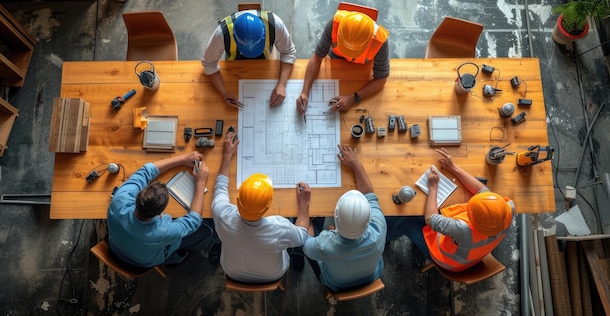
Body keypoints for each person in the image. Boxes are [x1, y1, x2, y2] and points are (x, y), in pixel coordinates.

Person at [386, 148, 515, 272]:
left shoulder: (463, 230)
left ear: (473, 219)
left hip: (449, 261)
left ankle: (384, 237)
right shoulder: (508, 207)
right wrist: (453, 167)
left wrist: (433, 187)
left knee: (403, 218)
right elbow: (483, 191)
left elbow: (430, 219)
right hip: (470, 252)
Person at [211, 129, 311, 283]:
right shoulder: (280, 227)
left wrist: (227, 155)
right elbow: (302, 236)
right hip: (272, 275)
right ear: (268, 207)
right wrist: (304, 205)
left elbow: (220, 188)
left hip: (232, 272)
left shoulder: (223, 216)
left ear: (237, 200)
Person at [302, 144, 386, 292]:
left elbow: (304, 241)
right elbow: (370, 195)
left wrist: (304, 208)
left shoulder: (324, 246)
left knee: (310, 226)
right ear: (368, 220)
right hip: (372, 276)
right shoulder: (379, 228)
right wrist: (355, 163)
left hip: (336, 285)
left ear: (335, 219)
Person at [107, 152, 210, 268]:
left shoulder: (119, 200)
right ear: (160, 214)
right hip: (143, 263)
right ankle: (172, 259)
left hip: (115, 248)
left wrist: (183, 159)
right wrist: (200, 182)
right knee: (208, 228)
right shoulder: (163, 231)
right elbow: (194, 221)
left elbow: (146, 171)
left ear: (138, 195)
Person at [297, 4, 390, 114]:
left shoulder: (380, 41)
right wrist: (305, 92)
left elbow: (381, 79)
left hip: (363, 68)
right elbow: (317, 57)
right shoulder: (334, 25)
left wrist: (354, 97)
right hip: (335, 60)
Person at [201, 9, 297, 108]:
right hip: (233, 68)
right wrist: (224, 92)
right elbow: (208, 64)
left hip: (265, 66)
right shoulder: (221, 34)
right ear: (234, 36)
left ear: (264, 32)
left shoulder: (275, 24)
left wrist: (282, 84)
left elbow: (288, 52)